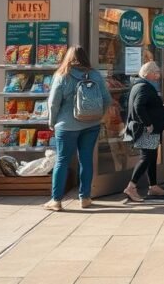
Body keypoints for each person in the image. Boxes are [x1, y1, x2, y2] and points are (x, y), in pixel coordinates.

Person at [44, 45, 112, 211]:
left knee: (62, 160)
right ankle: (85, 197)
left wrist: (52, 122)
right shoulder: (95, 75)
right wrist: (98, 116)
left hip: (67, 125)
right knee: (86, 160)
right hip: (92, 124)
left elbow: (53, 103)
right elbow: (107, 99)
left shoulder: (62, 75)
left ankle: (56, 200)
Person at [123, 61, 164, 202]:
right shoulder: (144, 87)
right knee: (146, 157)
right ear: (148, 73)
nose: (158, 76)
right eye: (156, 73)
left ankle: (153, 186)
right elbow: (139, 106)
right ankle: (131, 187)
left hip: (150, 128)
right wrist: (148, 123)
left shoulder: (141, 85)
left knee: (151, 156)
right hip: (147, 129)